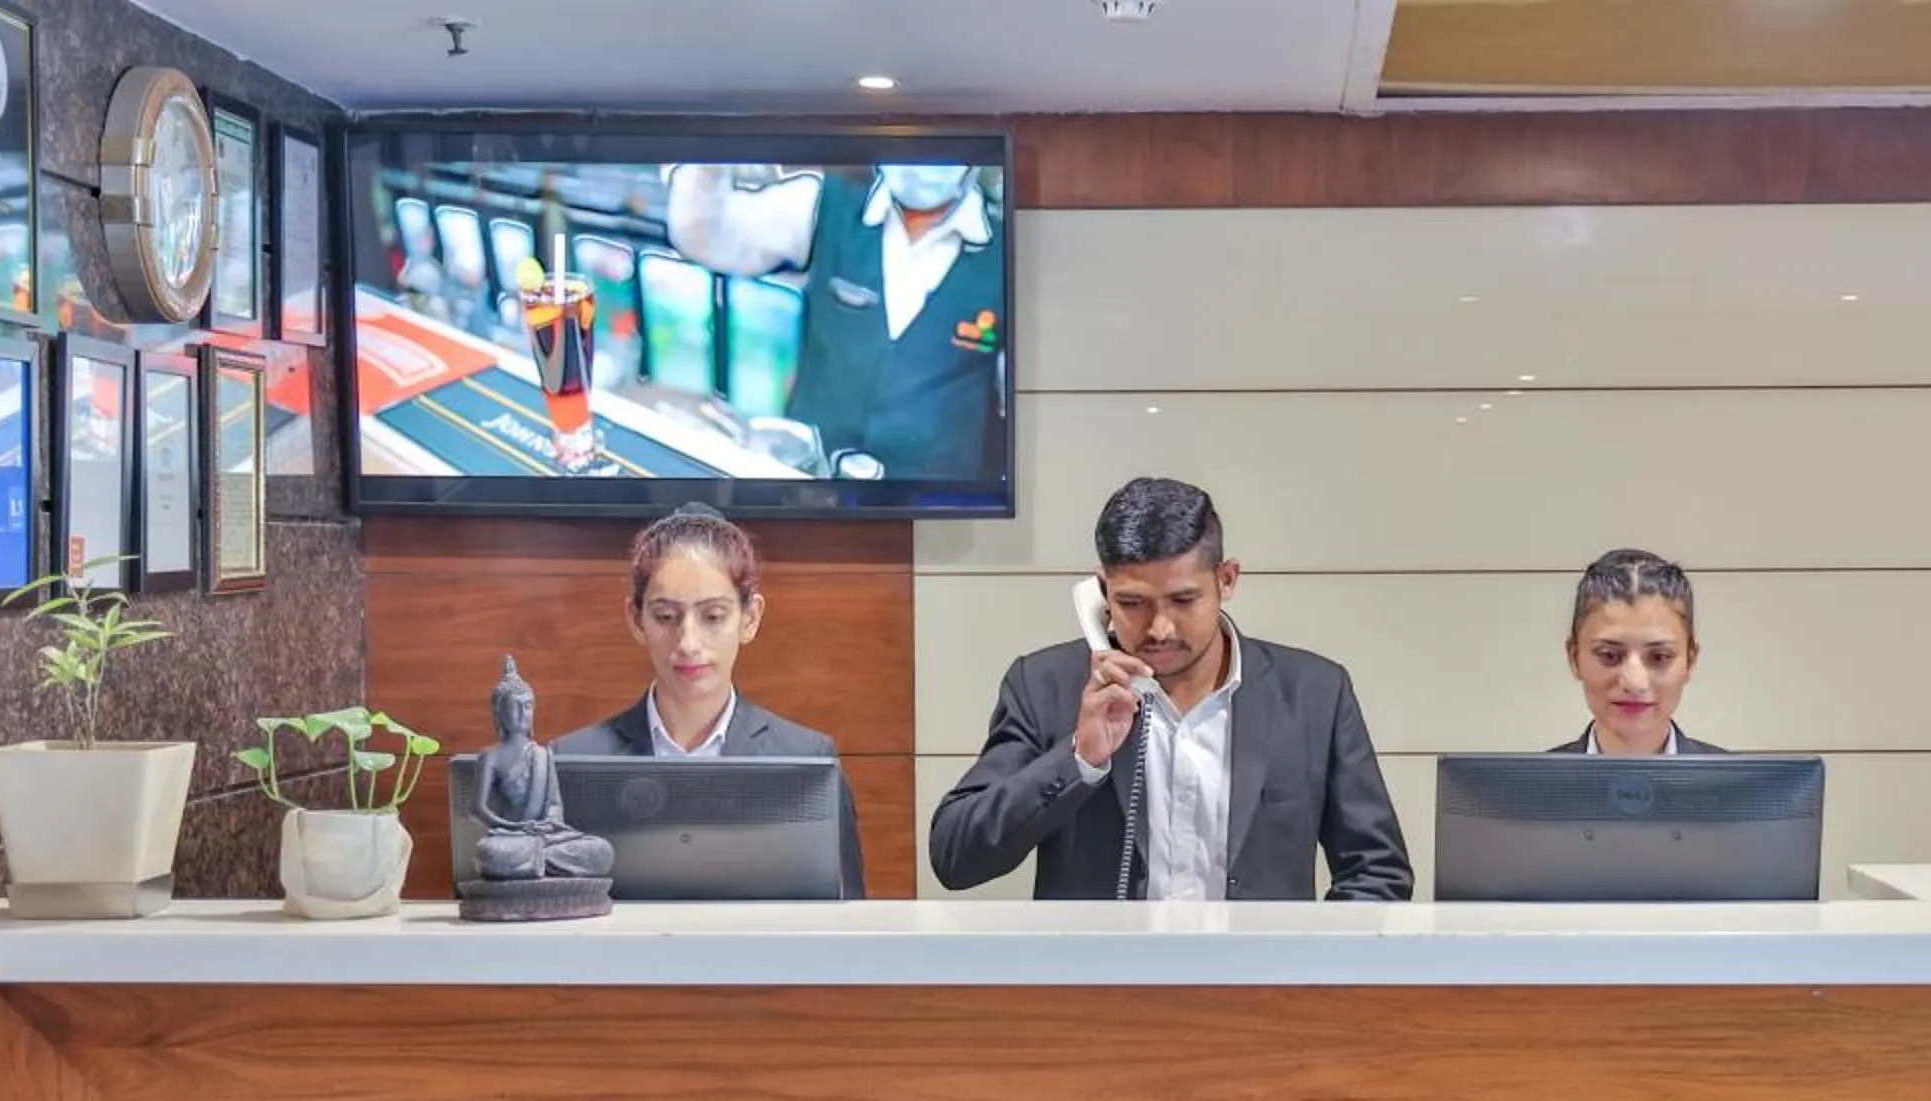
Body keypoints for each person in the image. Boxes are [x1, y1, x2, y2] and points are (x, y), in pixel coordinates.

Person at [930, 477, 1411, 902]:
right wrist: (1078, 760)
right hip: (1102, 993)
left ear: (1226, 580)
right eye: (1132, 603)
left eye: (1183, 600)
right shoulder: (1045, 686)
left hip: (1261, 994)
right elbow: (955, 857)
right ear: (1101, 593)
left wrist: (1310, 975)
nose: (1159, 628)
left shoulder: (1315, 694)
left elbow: (1377, 872)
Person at [553, 504, 869, 896]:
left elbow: (847, 918)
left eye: (714, 616)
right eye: (666, 617)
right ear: (636, 620)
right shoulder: (572, 762)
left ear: (749, 618)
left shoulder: (807, 759)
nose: (688, 643)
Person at [664, 162, 1003, 483]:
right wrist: (710, 160)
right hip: (810, 482)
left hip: (937, 508)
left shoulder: (1009, 246)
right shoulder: (824, 204)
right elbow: (707, 238)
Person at [1550, 548, 1730, 756]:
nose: (1635, 683)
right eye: (1609, 655)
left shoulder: (1744, 787)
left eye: (1659, 657)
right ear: (1574, 658)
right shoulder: (1527, 787)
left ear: (1690, 661)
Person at [471, 659, 614, 882]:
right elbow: (477, 810)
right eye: (514, 706)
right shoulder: (491, 756)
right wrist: (515, 826)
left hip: (545, 836)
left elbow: (555, 805)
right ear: (499, 711)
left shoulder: (543, 755)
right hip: (512, 837)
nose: (521, 713)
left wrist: (549, 823)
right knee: (489, 853)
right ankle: (540, 865)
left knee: (601, 851)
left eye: (527, 706)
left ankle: (532, 865)